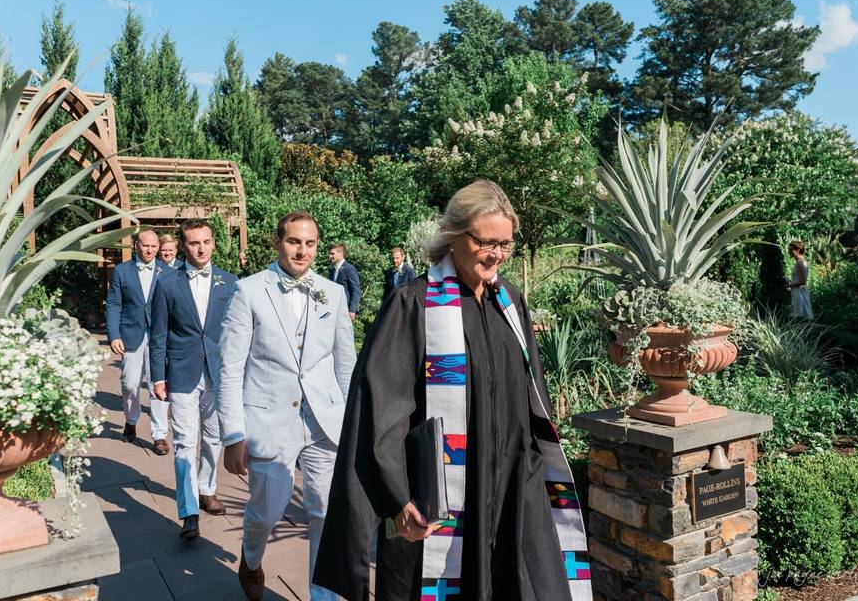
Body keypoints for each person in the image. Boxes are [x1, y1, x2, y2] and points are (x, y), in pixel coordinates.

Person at [314, 181, 592, 600]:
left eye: (505, 244)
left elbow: (534, 397)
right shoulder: (414, 304)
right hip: (439, 499)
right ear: (453, 236)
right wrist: (398, 498)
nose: (496, 254)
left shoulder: (509, 303)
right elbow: (379, 409)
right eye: (485, 242)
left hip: (510, 493)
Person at [217, 211, 356, 601]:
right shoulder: (249, 291)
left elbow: (346, 364)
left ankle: (324, 596)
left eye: (310, 243)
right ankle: (251, 555)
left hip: (324, 422)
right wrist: (232, 434)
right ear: (278, 242)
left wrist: (351, 424)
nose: (302, 250)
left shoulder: (333, 292)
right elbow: (229, 367)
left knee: (326, 514)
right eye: (295, 241)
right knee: (267, 513)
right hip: (269, 420)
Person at [149, 219, 238, 540]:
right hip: (182, 372)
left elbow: (239, 333)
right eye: (194, 243)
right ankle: (188, 512)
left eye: (206, 242)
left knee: (214, 438)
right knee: (186, 442)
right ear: (184, 246)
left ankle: (207, 489)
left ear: (214, 243)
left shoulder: (230, 283)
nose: (201, 248)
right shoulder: (167, 283)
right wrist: (158, 377)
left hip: (219, 373)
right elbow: (158, 334)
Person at [105, 229, 171, 455]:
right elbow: (114, 304)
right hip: (131, 333)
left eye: (154, 246)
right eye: (146, 246)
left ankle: (160, 434)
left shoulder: (167, 271)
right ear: (137, 246)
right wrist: (114, 335)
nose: (150, 250)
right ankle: (131, 420)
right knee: (130, 383)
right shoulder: (122, 271)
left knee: (158, 385)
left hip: (159, 335)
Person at [329, 243, 361, 321]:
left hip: (345, 310)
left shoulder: (349, 269)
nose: (330, 256)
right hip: (334, 309)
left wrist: (352, 310)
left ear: (340, 254)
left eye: (332, 254)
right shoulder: (333, 270)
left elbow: (356, 291)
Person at [788, 240, 814, 319]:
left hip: (799, 292)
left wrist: (789, 284)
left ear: (798, 250)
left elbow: (803, 281)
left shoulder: (800, 263)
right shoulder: (801, 262)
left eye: (790, 250)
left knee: (799, 316)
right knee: (800, 316)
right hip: (798, 291)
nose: (789, 252)